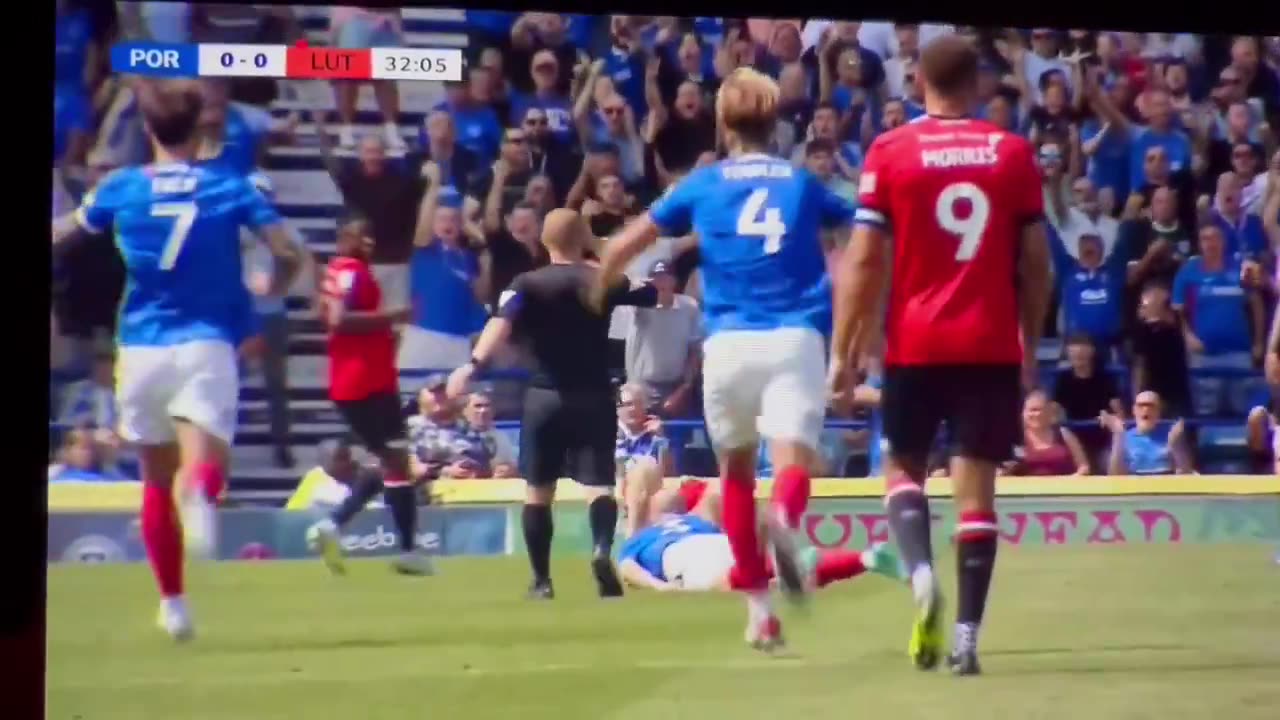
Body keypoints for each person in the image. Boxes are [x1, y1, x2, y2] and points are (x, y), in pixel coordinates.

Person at [596, 67, 859, 652]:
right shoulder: (801, 182)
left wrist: (602, 280)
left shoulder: (703, 183)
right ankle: (786, 525)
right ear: (776, 121)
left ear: (723, 121)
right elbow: (862, 229)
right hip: (796, 337)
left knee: (735, 476)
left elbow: (629, 243)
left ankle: (760, 613)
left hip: (728, 344)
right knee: (791, 464)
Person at [51, 79, 305, 642]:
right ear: (199, 129)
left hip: (139, 346)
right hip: (205, 342)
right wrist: (271, 284)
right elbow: (289, 252)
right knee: (207, 467)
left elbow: (66, 234)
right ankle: (201, 494)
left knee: (153, 481)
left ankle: (173, 604)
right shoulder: (229, 187)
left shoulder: (120, 187)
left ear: (148, 132)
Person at [830, 37, 1053, 676]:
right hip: (988, 344)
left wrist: (844, 352)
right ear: (979, 83)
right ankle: (966, 640)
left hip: (917, 342)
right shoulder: (1011, 153)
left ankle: (921, 572)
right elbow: (1036, 264)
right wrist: (1029, 345)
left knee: (901, 467)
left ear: (917, 79)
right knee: (977, 495)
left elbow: (865, 260)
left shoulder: (892, 151)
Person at [445, 209, 658, 600]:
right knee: (599, 486)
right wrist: (600, 248)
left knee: (538, 491)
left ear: (543, 241)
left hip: (544, 397)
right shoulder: (602, 278)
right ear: (582, 239)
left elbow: (500, 324)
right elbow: (651, 291)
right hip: (594, 395)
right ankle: (599, 550)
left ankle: (542, 581)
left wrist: (472, 365)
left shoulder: (526, 283)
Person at [305, 219, 433, 578]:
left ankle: (338, 526)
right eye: (364, 236)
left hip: (359, 380)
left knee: (391, 461)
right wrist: (396, 315)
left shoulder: (337, 271)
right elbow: (338, 320)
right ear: (347, 238)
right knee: (394, 459)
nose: (370, 243)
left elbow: (324, 314)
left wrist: (384, 338)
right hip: (366, 383)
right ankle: (403, 548)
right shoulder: (351, 271)